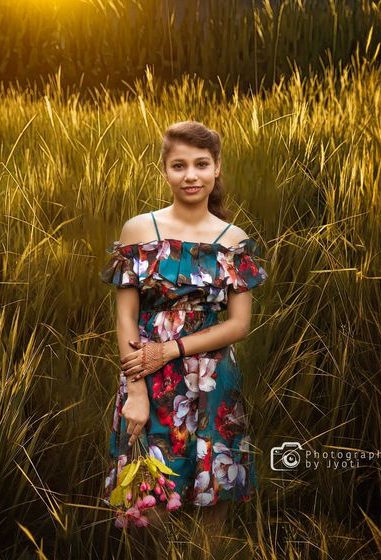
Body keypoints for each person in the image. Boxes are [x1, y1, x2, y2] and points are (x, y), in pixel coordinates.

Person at [100, 120, 268, 547]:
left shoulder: (234, 240)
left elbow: (238, 324)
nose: (190, 175)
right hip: (149, 379)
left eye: (200, 164)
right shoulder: (139, 231)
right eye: (179, 165)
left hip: (212, 379)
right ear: (164, 171)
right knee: (147, 503)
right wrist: (135, 391)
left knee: (212, 494)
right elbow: (125, 318)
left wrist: (171, 348)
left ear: (216, 169)